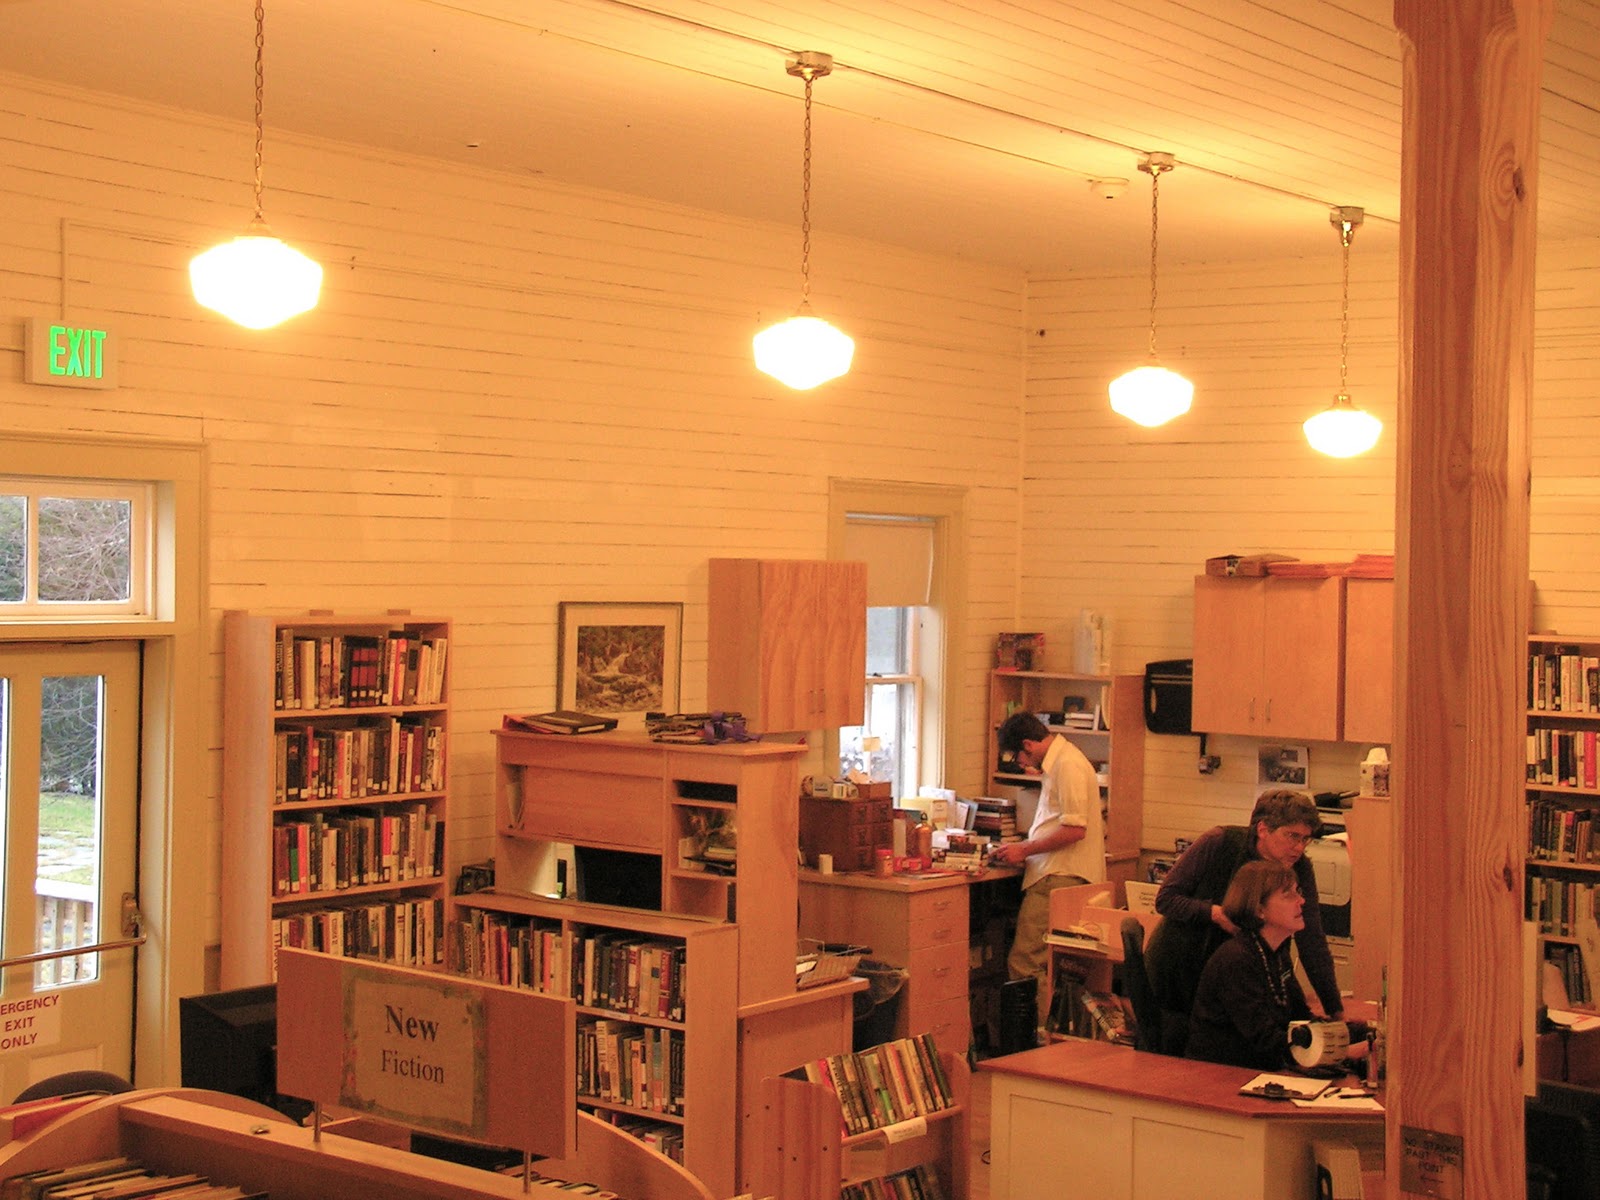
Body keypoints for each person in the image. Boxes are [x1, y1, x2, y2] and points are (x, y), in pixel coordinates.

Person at [1144, 788, 1343, 1028]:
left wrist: (1334, 1009)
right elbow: (1166, 899)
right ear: (1262, 829)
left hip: (1239, 980)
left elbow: (1312, 940)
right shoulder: (1220, 842)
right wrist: (1216, 914)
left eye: (1305, 839)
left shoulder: (1299, 866)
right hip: (1181, 971)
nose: (1299, 847)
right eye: (1292, 836)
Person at [988, 712, 1105, 1017]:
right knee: (1046, 964)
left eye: (1020, 758)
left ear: (1029, 744)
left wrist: (1025, 849)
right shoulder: (1060, 763)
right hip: (1057, 872)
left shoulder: (1068, 766)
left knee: (1025, 963)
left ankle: (1034, 1043)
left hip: (1059, 876)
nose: (1023, 766)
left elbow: (1075, 829)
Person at [1183, 859, 1313, 1069]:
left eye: (1299, 892)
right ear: (1259, 909)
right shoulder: (1236, 960)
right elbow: (1265, 1039)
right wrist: (1337, 1051)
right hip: (1219, 1077)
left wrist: (1349, 1034)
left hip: (1258, 1070)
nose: (1301, 901)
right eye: (1289, 895)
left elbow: (1301, 1019)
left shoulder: (1277, 952)